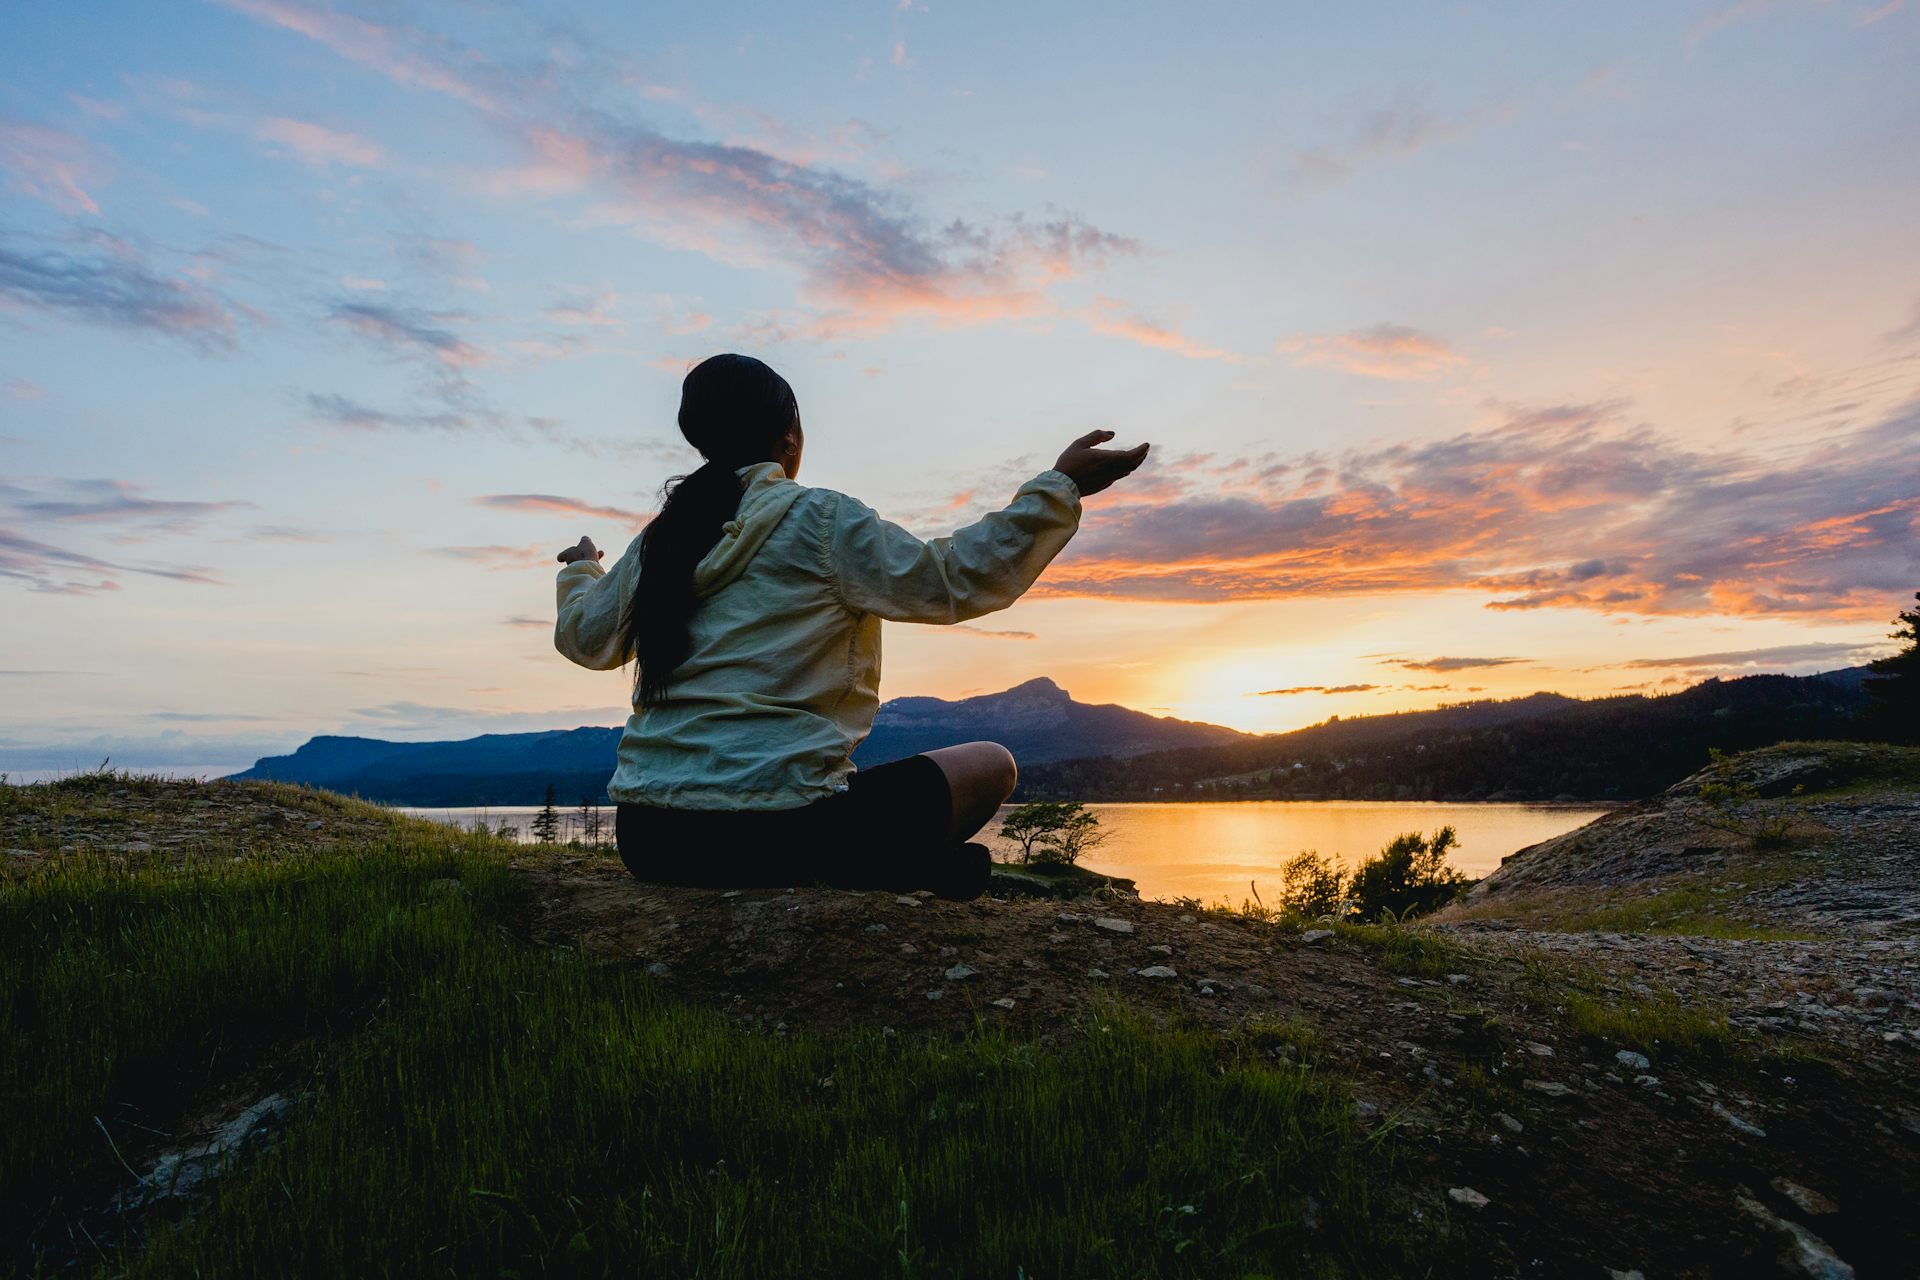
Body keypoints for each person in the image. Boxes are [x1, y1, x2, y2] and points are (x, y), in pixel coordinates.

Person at [551, 353, 1148, 899]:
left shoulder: (662, 541)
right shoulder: (819, 519)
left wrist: (582, 569)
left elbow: (585, 637)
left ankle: (893, 866)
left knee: (854, 825)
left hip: (651, 838)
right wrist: (1061, 487)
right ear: (790, 438)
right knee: (994, 763)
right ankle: (889, 866)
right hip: (780, 830)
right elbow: (953, 577)